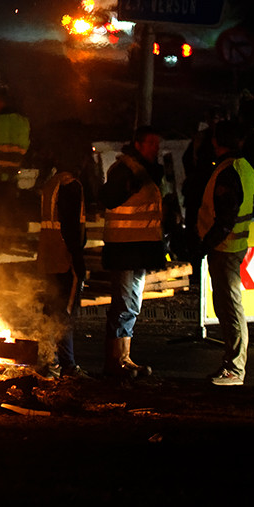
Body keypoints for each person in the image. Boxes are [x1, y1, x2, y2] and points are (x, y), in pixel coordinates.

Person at [99, 126, 166, 378]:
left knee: (132, 304)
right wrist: (130, 184)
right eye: (151, 143)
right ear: (138, 145)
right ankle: (116, 361)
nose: (156, 148)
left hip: (138, 248)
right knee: (124, 304)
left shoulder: (144, 171)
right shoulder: (125, 170)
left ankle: (123, 358)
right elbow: (108, 197)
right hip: (125, 249)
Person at [197, 119, 254, 386]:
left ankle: (234, 369)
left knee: (230, 307)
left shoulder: (228, 170)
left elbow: (225, 216)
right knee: (229, 306)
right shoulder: (242, 167)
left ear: (216, 142)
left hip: (224, 247)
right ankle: (232, 365)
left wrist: (205, 243)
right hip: (232, 246)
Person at [36, 150, 89, 378]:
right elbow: (69, 227)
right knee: (64, 313)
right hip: (64, 259)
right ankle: (66, 365)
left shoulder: (51, 184)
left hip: (48, 258)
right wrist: (78, 261)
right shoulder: (71, 185)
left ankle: (50, 362)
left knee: (50, 312)